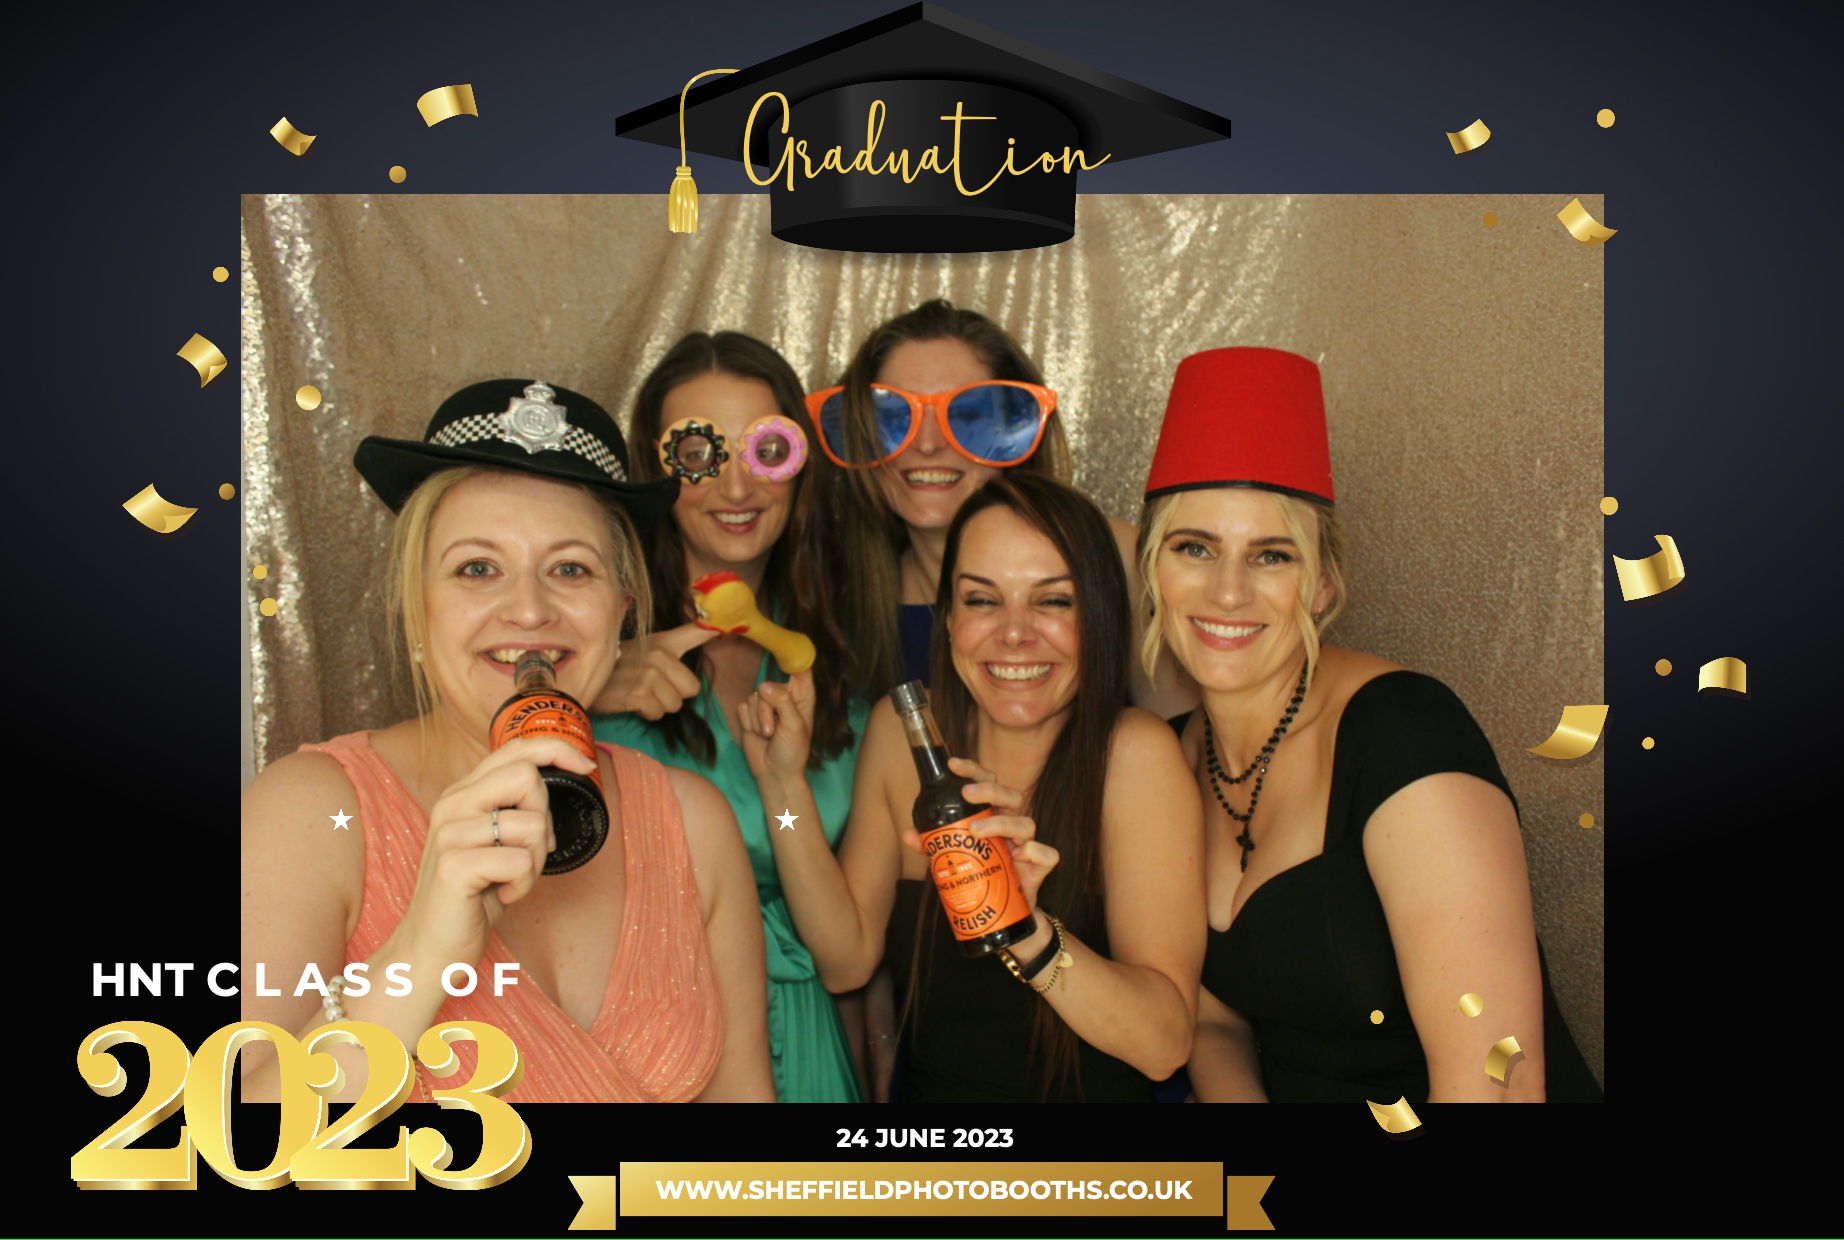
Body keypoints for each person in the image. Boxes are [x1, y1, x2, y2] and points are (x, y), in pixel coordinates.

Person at [240, 379, 773, 1103]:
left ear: (621, 610)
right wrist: (424, 950)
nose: (528, 609)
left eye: (571, 569)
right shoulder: (306, 811)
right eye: (478, 569)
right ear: (418, 606)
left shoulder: (695, 820)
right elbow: (238, 1144)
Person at [1139, 348, 1602, 1102]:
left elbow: (1500, 1079)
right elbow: (1214, 1022)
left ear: (1322, 587)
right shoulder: (1166, 757)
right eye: (1194, 548)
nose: (1227, 591)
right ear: (1151, 570)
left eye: (1271, 556)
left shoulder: (1401, 731)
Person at [736, 472, 1206, 1101]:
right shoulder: (903, 736)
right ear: (949, 619)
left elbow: (1164, 1045)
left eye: (1053, 601)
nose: (1014, 633)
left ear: (1098, 615)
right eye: (983, 600)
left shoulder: (1135, 756)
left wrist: (1025, 925)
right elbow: (845, 961)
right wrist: (781, 792)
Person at [591, 333, 870, 1103]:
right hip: (648, 1047)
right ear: (655, 471)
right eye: (697, 453)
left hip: (807, 1042)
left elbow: (852, 949)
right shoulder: (587, 649)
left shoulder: (839, 668)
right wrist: (584, 686)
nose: (737, 484)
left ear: (800, 465)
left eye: (766, 450)